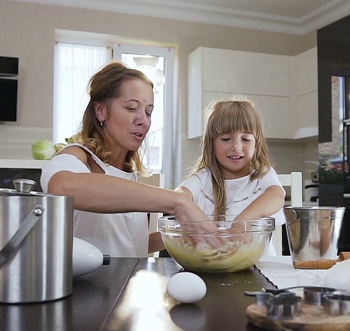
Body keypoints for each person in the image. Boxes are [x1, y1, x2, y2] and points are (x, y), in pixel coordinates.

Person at [41, 61, 209, 257]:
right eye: (131, 108)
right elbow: (62, 187)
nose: (143, 121)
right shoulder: (78, 157)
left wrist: (178, 235)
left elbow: (127, 246)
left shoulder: (128, 173)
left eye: (148, 112)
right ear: (100, 111)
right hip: (85, 286)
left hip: (124, 284)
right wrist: (177, 201)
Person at [175, 96, 286, 254]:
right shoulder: (203, 178)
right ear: (211, 143)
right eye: (226, 139)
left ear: (257, 143)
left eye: (246, 139)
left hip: (262, 267)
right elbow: (178, 196)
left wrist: (245, 219)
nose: (236, 146)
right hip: (212, 265)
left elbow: (276, 195)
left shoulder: (262, 174)